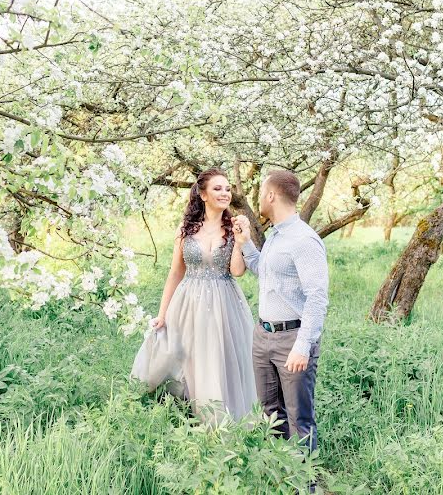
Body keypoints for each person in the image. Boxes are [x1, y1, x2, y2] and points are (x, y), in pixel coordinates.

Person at [131, 168, 258, 423]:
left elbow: (236, 271)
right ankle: (181, 411)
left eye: (227, 189)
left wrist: (242, 240)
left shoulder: (233, 228)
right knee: (185, 355)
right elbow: (175, 273)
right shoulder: (186, 229)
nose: (224, 193)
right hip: (188, 300)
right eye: (217, 188)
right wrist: (162, 314)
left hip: (224, 301)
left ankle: (218, 418)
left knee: (216, 357)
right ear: (203, 194)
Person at [232, 169, 329, 459]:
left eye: (261, 193)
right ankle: (279, 479)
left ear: (271, 195)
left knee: (299, 420)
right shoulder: (276, 236)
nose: (259, 199)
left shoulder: (303, 240)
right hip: (263, 337)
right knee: (271, 415)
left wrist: (303, 345)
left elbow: (317, 297)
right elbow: (264, 270)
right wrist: (245, 242)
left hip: (292, 340)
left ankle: (305, 486)